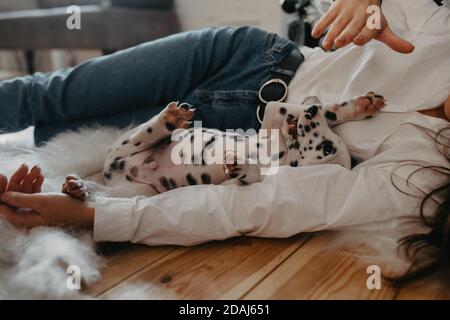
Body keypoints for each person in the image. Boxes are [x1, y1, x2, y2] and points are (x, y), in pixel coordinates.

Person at [0, 0, 449, 283]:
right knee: (47, 94)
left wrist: (96, 216)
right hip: (244, 56)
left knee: (46, 136)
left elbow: (266, 205)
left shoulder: (422, 177)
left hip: (214, 143)